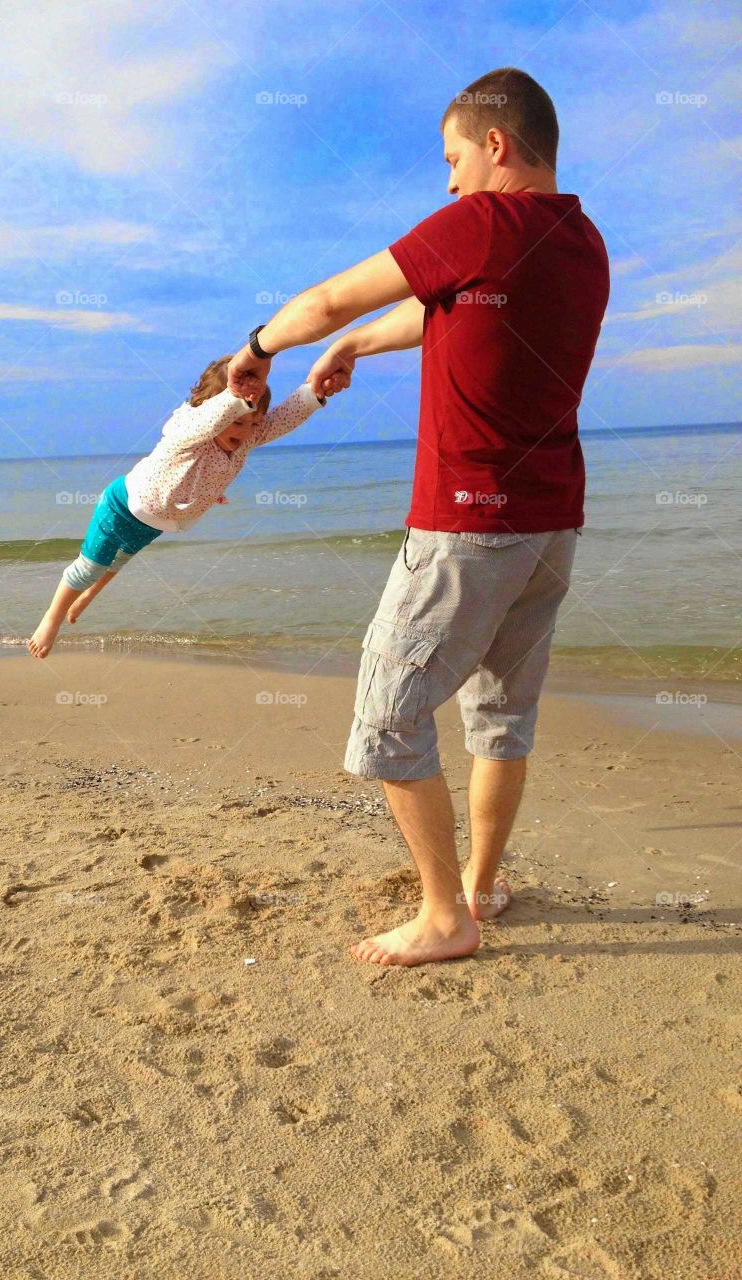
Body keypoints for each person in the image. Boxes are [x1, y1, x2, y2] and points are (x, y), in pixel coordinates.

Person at [225, 67, 611, 967]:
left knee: (389, 716)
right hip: (551, 526)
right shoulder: (582, 242)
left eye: (452, 158)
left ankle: (447, 916)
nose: (448, 180)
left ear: (496, 147)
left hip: (468, 527)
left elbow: (326, 298)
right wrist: (356, 344)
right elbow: (451, 308)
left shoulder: (481, 223)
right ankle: (481, 884)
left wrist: (254, 350)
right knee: (501, 718)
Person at [27, 355, 346, 658]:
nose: (246, 432)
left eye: (253, 423)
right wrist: (235, 397)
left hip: (158, 521)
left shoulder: (245, 436)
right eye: (238, 421)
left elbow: (280, 421)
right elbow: (207, 420)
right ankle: (51, 620)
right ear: (218, 407)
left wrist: (312, 393)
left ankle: (87, 598)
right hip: (122, 505)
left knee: (119, 562)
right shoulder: (187, 432)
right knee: (91, 566)